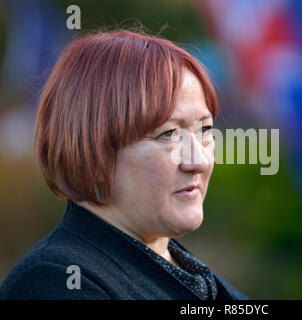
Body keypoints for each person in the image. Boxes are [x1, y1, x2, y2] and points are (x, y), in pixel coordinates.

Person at [0, 29, 248, 300]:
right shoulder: (55, 283)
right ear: (92, 146)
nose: (198, 160)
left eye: (205, 129)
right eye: (168, 134)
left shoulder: (200, 282)